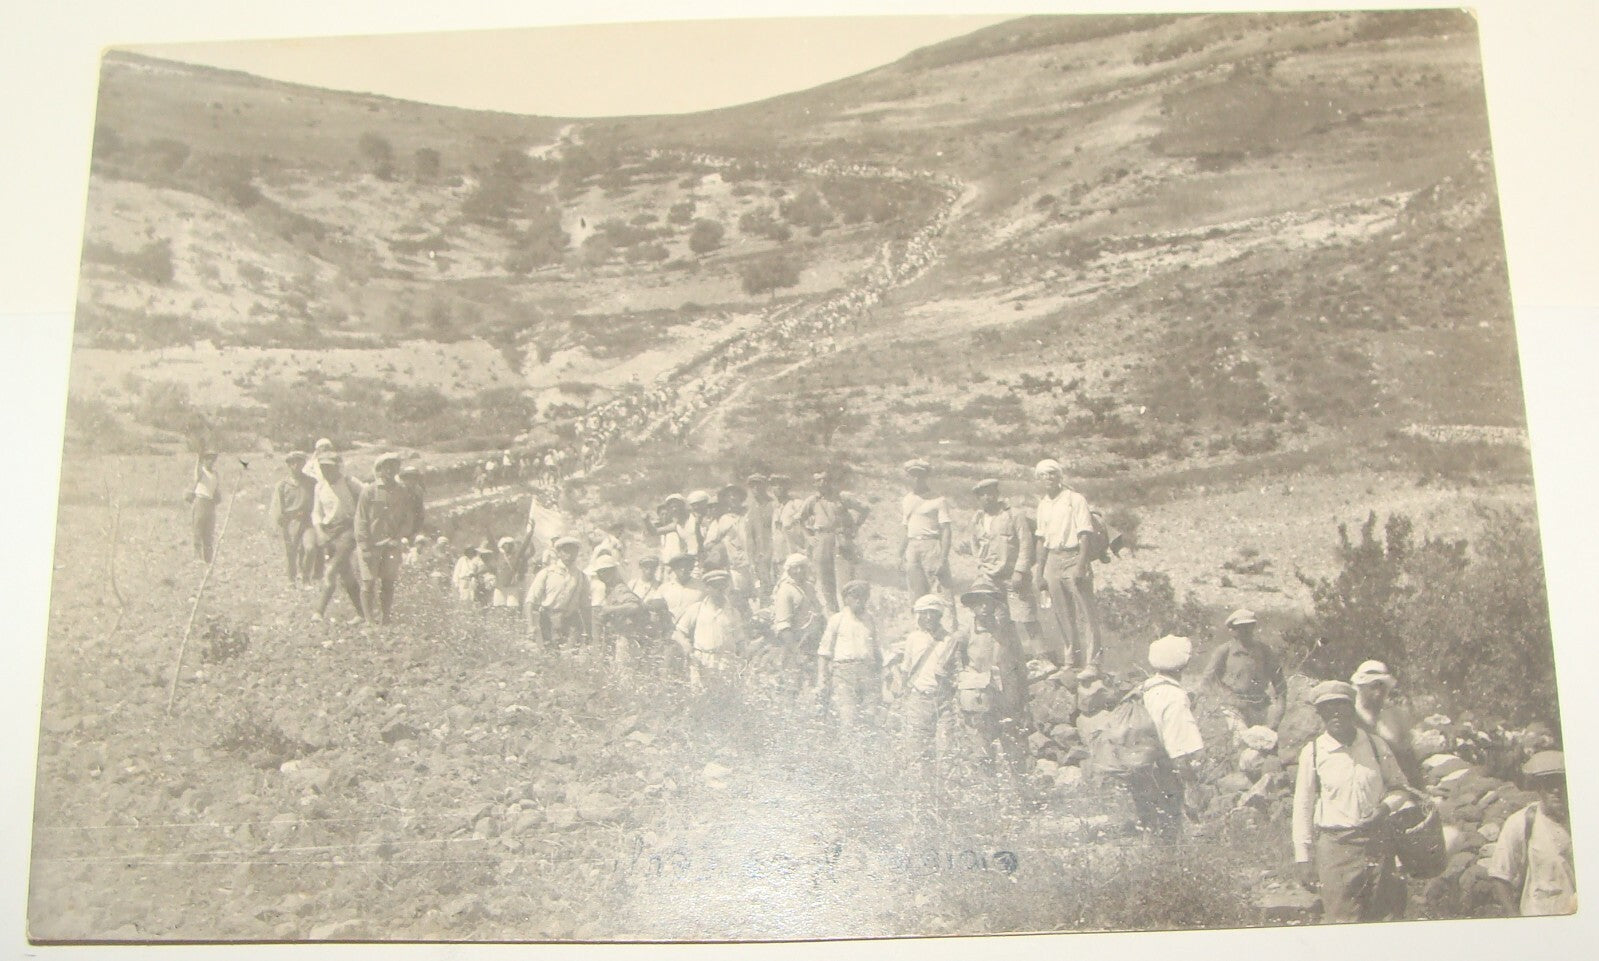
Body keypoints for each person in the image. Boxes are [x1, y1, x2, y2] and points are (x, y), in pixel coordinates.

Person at [1292, 680, 1410, 923]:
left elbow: (1401, 788)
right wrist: (1303, 857)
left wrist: (1384, 808)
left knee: (1383, 919)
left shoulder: (1375, 745)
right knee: (1342, 922)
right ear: (1320, 714)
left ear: (1352, 708)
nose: (1335, 713)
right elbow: (1302, 806)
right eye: (1327, 708)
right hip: (1336, 847)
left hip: (1377, 844)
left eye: (1341, 706)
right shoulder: (1313, 752)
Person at [1131, 635, 1206, 839]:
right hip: (1162, 773)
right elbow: (1179, 753)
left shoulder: (1144, 688)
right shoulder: (1174, 697)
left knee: (1150, 829)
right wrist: (1193, 786)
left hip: (1139, 768)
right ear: (1183, 665)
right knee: (1170, 832)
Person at [1032, 459, 1102, 668]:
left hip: (1073, 557)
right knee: (1062, 613)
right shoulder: (1043, 504)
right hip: (1053, 559)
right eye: (1043, 475)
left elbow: (1085, 533)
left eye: (1052, 473)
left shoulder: (1075, 499)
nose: (1048, 478)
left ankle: (1094, 663)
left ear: (1060, 476)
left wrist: (1081, 565)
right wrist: (1039, 572)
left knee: (1086, 613)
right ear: (1038, 479)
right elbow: (1041, 540)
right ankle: (1072, 659)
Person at [954, 576, 1029, 772]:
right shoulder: (966, 630)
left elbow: (1019, 663)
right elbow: (950, 658)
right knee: (982, 750)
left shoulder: (1006, 629)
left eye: (988, 600)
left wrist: (1022, 696)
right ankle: (988, 794)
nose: (984, 606)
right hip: (981, 697)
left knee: (1013, 747)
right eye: (978, 601)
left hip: (1006, 696)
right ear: (972, 606)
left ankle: (1019, 793)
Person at [1489, 751, 1576, 916]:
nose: (1556, 790)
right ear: (1538, 787)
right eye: (1549, 784)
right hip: (1538, 914)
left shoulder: (1582, 821)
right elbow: (1500, 876)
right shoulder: (1521, 822)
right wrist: (1517, 921)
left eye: (1561, 782)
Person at [888, 594, 960, 769]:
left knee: (946, 750)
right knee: (917, 750)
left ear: (939, 616)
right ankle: (920, 790)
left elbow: (957, 670)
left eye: (932, 613)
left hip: (943, 701)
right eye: (924, 613)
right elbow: (906, 668)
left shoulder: (950, 640)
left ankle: (942, 789)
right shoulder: (914, 638)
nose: (928, 618)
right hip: (919, 699)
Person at [969, 478, 1040, 655]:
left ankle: (1043, 657)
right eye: (983, 494)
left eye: (991, 492)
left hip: (1013, 575)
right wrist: (979, 564)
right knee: (995, 618)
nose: (988, 497)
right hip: (989, 576)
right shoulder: (978, 519)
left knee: (1026, 616)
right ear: (978, 498)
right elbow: (974, 543)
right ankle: (1007, 656)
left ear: (997, 494)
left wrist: (1020, 571)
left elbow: (1026, 543)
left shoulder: (1014, 515)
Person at [354, 452, 421, 626]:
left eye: (394, 466)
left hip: (392, 544)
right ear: (380, 469)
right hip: (371, 544)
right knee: (368, 583)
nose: (391, 470)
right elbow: (361, 520)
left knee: (388, 582)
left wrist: (399, 536)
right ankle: (369, 620)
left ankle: (386, 618)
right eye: (387, 466)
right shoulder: (370, 491)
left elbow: (408, 518)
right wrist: (364, 545)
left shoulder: (402, 492)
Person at [1202, 609, 1287, 730]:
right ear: (1232, 630)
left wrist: (1278, 711)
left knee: (1265, 742)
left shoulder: (1264, 650)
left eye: (1249, 626)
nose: (1245, 630)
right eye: (1240, 627)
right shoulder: (1224, 651)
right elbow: (1208, 680)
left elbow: (1280, 683)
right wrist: (1227, 696)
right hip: (1233, 708)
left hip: (1260, 706)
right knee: (1241, 740)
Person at [799, 471, 869, 614]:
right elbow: (800, 520)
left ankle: (850, 614)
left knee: (846, 580)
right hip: (822, 540)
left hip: (841, 539)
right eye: (818, 481)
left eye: (825, 480)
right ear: (814, 484)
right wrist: (809, 536)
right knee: (825, 579)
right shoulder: (812, 501)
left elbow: (864, 509)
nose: (822, 483)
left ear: (831, 482)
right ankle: (833, 614)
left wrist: (855, 526)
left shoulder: (842, 498)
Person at [817, 580, 882, 728]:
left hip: (867, 673)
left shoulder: (871, 620)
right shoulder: (837, 620)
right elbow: (824, 651)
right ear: (846, 599)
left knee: (869, 718)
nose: (859, 600)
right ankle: (848, 749)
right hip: (844, 673)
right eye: (854, 596)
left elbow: (879, 650)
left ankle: (865, 750)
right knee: (848, 717)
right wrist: (821, 677)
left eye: (862, 596)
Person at [311, 453, 365, 622]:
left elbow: (369, 496)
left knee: (331, 570)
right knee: (346, 573)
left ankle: (318, 612)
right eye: (323, 467)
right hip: (329, 532)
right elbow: (316, 513)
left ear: (337, 466)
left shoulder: (351, 482)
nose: (326, 470)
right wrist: (319, 531)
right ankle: (363, 613)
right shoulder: (319, 487)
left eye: (329, 466)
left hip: (348, 530)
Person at [1350, 659, 1421, 786]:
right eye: (1373, 686)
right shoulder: (1349, 716)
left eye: (1383, 687)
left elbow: (1408, 755)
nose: (1379, 692)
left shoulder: (1395, 716)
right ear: (1360, 686)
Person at [678, 569, 747, 687]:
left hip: (725, 661)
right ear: (707, 588)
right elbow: (679, 631)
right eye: (715, 587)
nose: (719, 590)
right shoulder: (697, 609)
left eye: (722, 587)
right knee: (700, 698)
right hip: (701, 661)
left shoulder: (733, 612)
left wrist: (742, 662)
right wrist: (687, 647)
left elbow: (740, 641)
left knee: (724, 697)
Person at [899, 459, 953, 607]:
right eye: (913, 475)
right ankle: (919, 627)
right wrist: (900, 554)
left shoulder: (938, 500)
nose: (916, 479)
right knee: (915, 593)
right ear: (908, 477)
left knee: (940, 591)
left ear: (926, 477)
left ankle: (949, 628)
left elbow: (946, 530)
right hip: (912, 547)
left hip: (931, 546)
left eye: (920, 475)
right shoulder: (907, 500)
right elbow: (906, 529)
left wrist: (943, 558)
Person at [524, 536, 592, 648]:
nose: (570, 555)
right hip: (549, 620)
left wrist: (589, 631)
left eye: (573, 551)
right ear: (559, 552)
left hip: (571, 621)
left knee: (571, 656)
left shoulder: (581, 576)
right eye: (566, 551)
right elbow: (530, 600)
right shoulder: (547, 573)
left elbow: (585, 606)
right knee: (551, 654)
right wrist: (530, 626)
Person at [591, 556, 651, 669]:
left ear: (613, 571)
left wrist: (610, 610)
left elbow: (634, 606)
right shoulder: (610, 589)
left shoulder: (620, 589)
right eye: (600, 572)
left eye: (605, 572)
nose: (602, 575)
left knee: (623, 669)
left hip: (625, 636)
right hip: (617, 634)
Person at [268, 451, 316, 587]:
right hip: (291, 521)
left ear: (304, 464)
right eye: (293, 462)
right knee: (291, 551)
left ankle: (306, 578)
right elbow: (278, 506)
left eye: (299, 462)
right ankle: (291, 578)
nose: (296, 465)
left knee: (310, 548)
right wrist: (279, 523)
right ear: (288, 465)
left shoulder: (311, 482)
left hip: (308, 521)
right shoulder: (282, 485)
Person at [743, 473, 776, 598]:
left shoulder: (773, 505)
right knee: (763, 588)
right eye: (752, 486)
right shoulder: (750, 509)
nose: (755, 489)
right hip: (759, 556)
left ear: (765, 487)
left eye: (759, 485)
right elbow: (750, 536)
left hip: (774, 554)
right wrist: (751, 558)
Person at [187, 450, 220, 563]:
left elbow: (216, 490)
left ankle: (208, 559)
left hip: (210, 504)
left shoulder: (215, 474)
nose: (210, 461)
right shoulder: (201, 472)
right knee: (198, 530)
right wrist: (198, 458)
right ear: (204, 460)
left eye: (212, 459)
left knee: (209, 532)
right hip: (200, 501)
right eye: (208, 459)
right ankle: (197, 558)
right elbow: (196, 474)